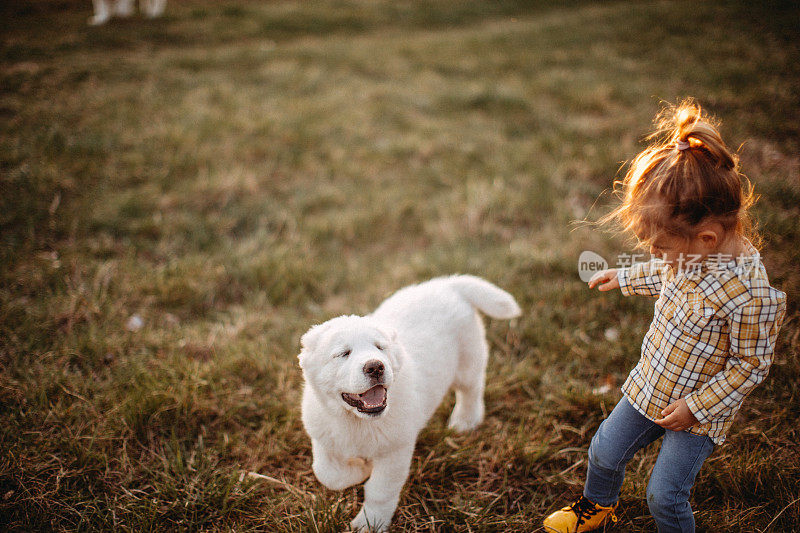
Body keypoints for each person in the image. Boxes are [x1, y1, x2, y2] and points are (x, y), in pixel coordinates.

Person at [543, 100, 787, 533]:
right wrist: (625, 276)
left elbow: (751, 365)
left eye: (661, 246)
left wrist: (696, 407)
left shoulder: (751, 296)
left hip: (697, 414)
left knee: (664, 495)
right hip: (652, 383)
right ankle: (596, 507)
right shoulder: (691, 256)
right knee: (604, 449)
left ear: (707, 238)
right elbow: (664, 272)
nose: (656, 255)